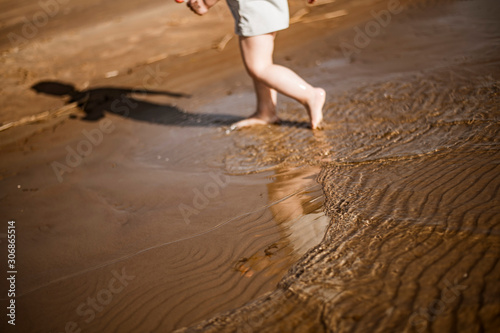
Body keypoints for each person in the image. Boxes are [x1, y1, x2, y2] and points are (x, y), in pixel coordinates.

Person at [185, 0, 325, 130]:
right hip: (266, 5)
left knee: (259, 67)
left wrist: (204, 2)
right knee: (262, 60)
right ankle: (266, 111)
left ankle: (310, 95)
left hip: (254, 8)